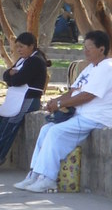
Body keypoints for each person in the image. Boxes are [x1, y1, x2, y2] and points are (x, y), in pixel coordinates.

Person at [15, 29, 112, 193]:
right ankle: (35, 174)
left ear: (101, 49)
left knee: (56, 132)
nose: (85, 51)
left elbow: (88, 96)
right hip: (80, 115)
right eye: (84, 47)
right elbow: (73, 91)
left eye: (89, 47)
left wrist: (60, 104)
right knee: (46, 129)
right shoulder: (90, 68)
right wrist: (56, 101)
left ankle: (48, 179)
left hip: (95, 118)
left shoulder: (107, 68)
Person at [0, 33, 50, 171]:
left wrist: (12, 76)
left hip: (28, 99)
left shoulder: (35, 60)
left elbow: (18, 80)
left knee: (8, 126)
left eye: (22, 47)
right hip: (14, 99)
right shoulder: (22, 60)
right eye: (17, 47)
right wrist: (11, 75)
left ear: (31, 46)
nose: (19, 50)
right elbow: (6, 75)